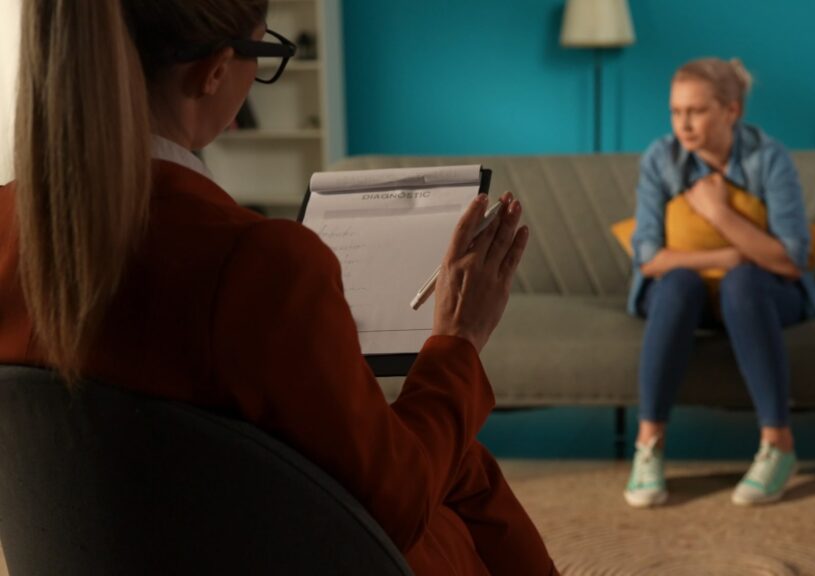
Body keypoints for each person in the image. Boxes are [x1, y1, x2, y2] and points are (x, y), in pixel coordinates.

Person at [0, 1, 557, 574]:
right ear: (214, 70)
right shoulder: (257, 264)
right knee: (459, 473)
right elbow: (398, 506)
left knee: (455, 461)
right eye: (264, 53)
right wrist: (459, 339)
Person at [622, 58, 815, 508]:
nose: (684, 124)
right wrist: (726, 254)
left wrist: (719, 214)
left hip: (761, 295)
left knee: (744, 281)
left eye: (696, 111)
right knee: (678, 282)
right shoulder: (660, 157)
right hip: (685, 294)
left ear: (731, 111)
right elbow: (648, 256)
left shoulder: (769, 158)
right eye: (676, 112)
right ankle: (649, 446)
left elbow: (792, 260)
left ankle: (779, 446)